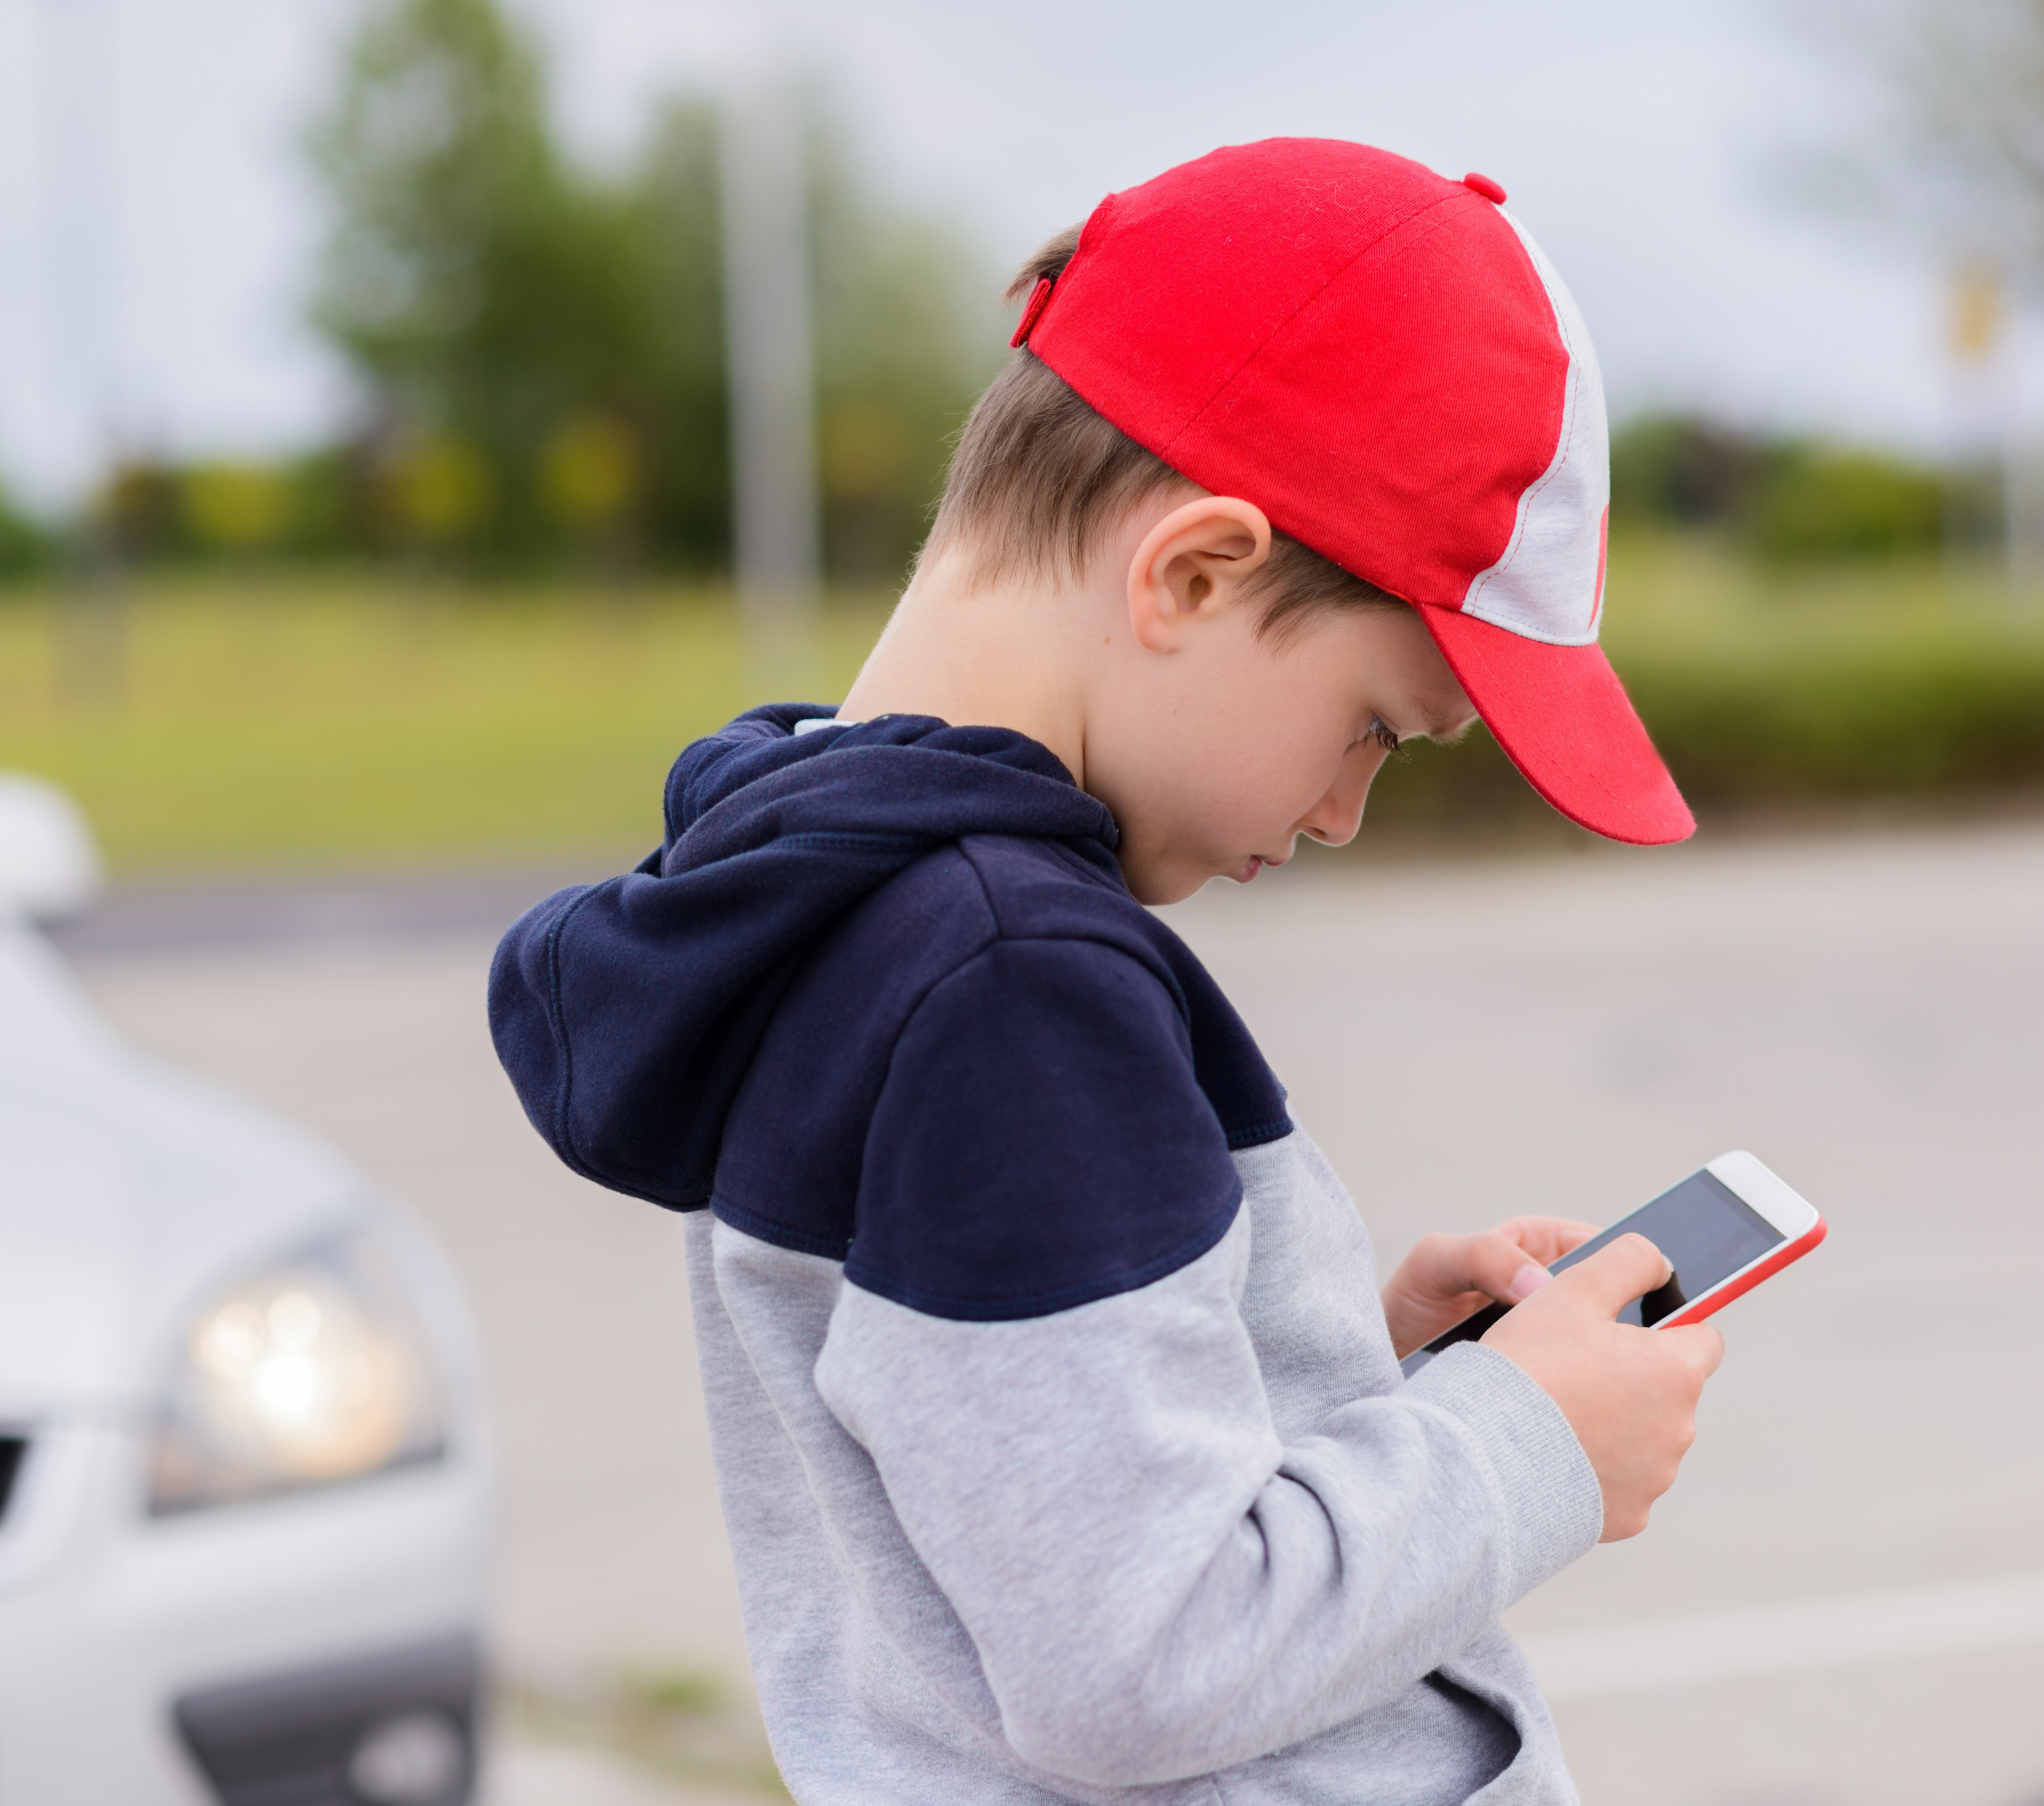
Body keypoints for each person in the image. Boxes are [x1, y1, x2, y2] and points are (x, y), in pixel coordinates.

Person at [490, 138, 1723, 1805]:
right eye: (1374, 725)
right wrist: (1526, 1447)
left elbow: (1013, 1510)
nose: (1348, 811)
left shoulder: (821, 893)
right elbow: (1134, 1666)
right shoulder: (1011, 984)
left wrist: (1334, 1370)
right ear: (1191, 572)